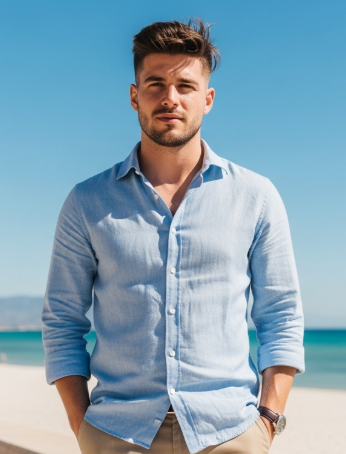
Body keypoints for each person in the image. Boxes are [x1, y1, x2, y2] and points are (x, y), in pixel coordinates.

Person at [42, 18, 304, 454]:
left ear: (208, 99)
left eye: (185, 85)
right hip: (117, 434)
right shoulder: (87, 201)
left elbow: (281, 314)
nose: (170, 98)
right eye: (155, 84)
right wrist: (82, 424)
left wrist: (268, 421)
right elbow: (62, 321)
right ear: (134, 96)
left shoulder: (255, 196)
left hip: (229, 434)